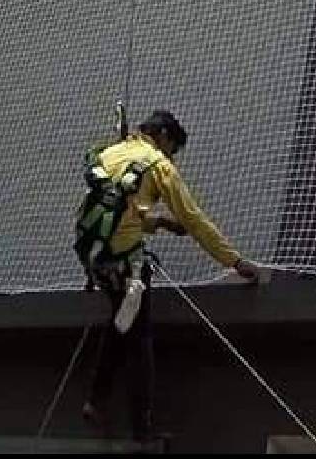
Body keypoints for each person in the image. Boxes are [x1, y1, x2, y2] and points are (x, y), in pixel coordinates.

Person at [82, 108, 259, 441]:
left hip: (95, 258)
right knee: (140, 341)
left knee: (122, 324)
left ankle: (96, 400)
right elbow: (193, 218)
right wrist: (234, 261)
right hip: (127, 265)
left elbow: (115, 209)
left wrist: (159, 223)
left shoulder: (112, 152)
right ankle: (140, 430)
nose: (172, 156)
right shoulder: (158, 165)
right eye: (173, 148)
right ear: (163, 136)